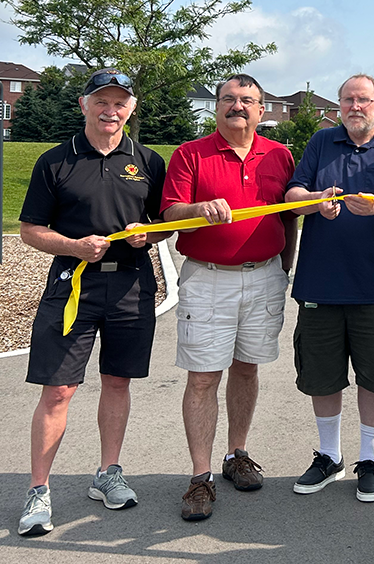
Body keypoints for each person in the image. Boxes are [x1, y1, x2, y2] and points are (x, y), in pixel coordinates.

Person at [16, 69, 169, 536]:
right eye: (101, 101)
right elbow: (30, 231)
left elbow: (167, 222)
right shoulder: (56, 161)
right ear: (84, 105)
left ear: (132, 108)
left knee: (117, 383)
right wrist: (72, 245)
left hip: (131, 286)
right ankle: (38, 491)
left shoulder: (147, 161)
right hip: (73, 285)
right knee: (59, 390)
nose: (111, 110)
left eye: (120, 102)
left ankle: (108, 473)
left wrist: (152, 235)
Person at [160, 73, 298, 522]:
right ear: (216, 107)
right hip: (208, 278)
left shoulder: (280, 155)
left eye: (247, 100)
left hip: (264, 278)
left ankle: (236, 453)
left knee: (247, 368)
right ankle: (201, 478)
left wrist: (285, 267)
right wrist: (199, 210)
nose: (237, 106)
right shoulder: (190, 154)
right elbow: (169, 214)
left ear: (262, 110)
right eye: (228, 99)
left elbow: (289, 217)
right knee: (202, 378)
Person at [284, 74, 374, 504]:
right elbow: (293, 192)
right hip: (321, 284)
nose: (355, 107)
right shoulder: (321, 143)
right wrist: (312, 202)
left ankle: (370, 458)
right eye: (348, 100)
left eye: (364, 100)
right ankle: (329, 455)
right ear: (339, 106)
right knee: (321, 375)